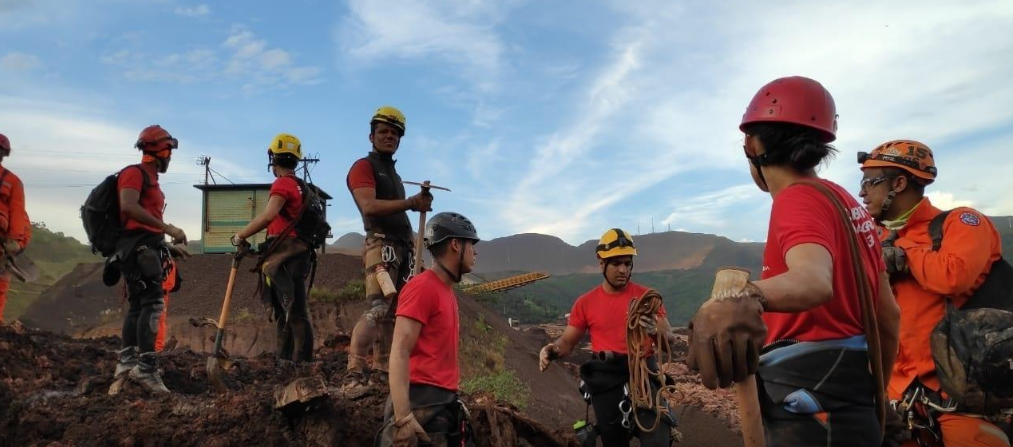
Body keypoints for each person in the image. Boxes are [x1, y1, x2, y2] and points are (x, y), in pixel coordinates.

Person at [686, 76, 902, 446]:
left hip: (807, 408)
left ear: (750, 145)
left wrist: (739, 297)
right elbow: (888, 316)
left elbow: (813, 281)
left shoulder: (795, 199)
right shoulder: (848, 204)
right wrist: (876, 394)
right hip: (850, 407)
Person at [859, 140, 1009, 447]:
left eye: (868, 182)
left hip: (960, 402)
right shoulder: (875, 238)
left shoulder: (961, 223)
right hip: (896, 397)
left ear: (898, 183)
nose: (862, 192)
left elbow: (953, 276)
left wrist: (901, 253)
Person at [538, 228, 677, 447]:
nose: (623, 269)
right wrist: (551, 351)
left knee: (658, 440)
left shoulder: (646, 298)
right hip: (607, 377)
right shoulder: (586, 303)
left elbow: (668, 338)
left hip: (643, 372)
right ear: (601, 262)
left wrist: (654, 330)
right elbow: (566, 343)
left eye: (627, 263)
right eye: (616, 263)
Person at [343, 106, 433, 399]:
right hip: (381, 248)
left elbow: (401, 210)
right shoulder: (363, 167)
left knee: (397, 315)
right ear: (371, 135)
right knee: (378, 309)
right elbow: (369, 206)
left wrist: (416, 212)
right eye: (383, 131)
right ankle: (353, 376)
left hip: (403, 250)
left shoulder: (393, 174)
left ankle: (383, 374)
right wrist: (411, 203)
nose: (389, 136)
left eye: (395, 133)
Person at [377, 212, 478, 447]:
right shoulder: (422, 288)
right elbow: (400, 350)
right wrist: (403, 419)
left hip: (441, 403)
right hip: (420, 403)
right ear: (455, 244)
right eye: (471, 244)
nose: (475, 252)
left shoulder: (446, 291)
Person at [109, 125, 188, 395]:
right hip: (137, 251)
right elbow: (129, 207)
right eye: (169, 152)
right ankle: (146, 367)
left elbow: (144, 222)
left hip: (146, 248)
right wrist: (169, 230)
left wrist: (164, 245)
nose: (170, 158)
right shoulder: (135, 174)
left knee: (138, 306)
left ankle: (127, 362)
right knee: (152, 305)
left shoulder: (150, 179)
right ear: (162, 151)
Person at [233, 133, 315, 363]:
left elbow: (269, 216)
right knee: (289, 310)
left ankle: (299, 364)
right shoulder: (301, 186)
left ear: (273, 159)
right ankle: (288, 360)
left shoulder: (283, 183)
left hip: (285, 256)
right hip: (297, 255)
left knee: (293, 311)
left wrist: (240, 235)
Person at [0, 132, 31, 323]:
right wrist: (15, 241)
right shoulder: (12, 181)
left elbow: (17, 213)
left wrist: (14, 241)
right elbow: (17, 213)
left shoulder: (12, 181)